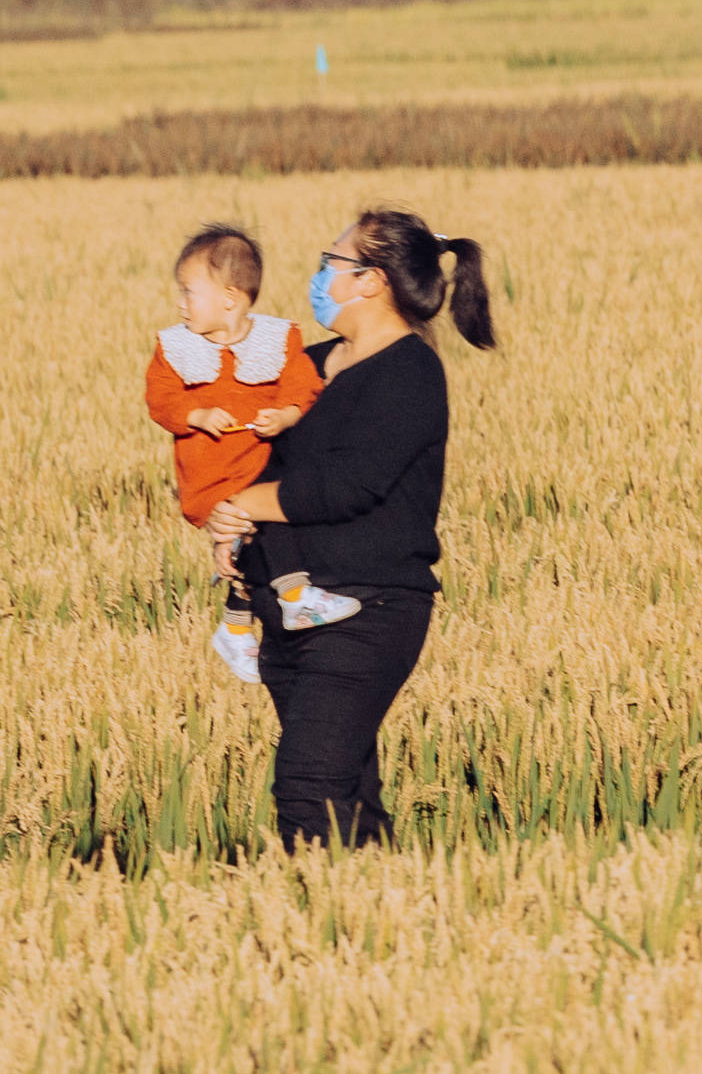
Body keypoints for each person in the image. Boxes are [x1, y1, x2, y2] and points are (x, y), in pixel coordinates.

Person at [204, 208, 498, 846]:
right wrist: (227, 514)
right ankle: (377, 922)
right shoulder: (303, 367)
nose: (318, 274)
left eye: (331, 262)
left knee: (309, 785)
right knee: (347, 796)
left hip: (367, 610)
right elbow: (257, 464)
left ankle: (314, 927)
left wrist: (252, 504)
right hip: (284, 614)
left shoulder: (409, 373)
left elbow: (349, 485)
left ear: (373, 281)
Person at [143, 224, 340, 683]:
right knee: (244, 539)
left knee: (259, 535)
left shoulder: (278, 338)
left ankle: (238, 625)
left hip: (259, 461)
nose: (180, 302)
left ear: (230, 298)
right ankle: (291, 601)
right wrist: (196, 416)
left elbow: (301, 384)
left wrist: (287, 416)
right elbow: (161, 399)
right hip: (210, 473)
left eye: (190, 292)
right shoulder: (175, 347)